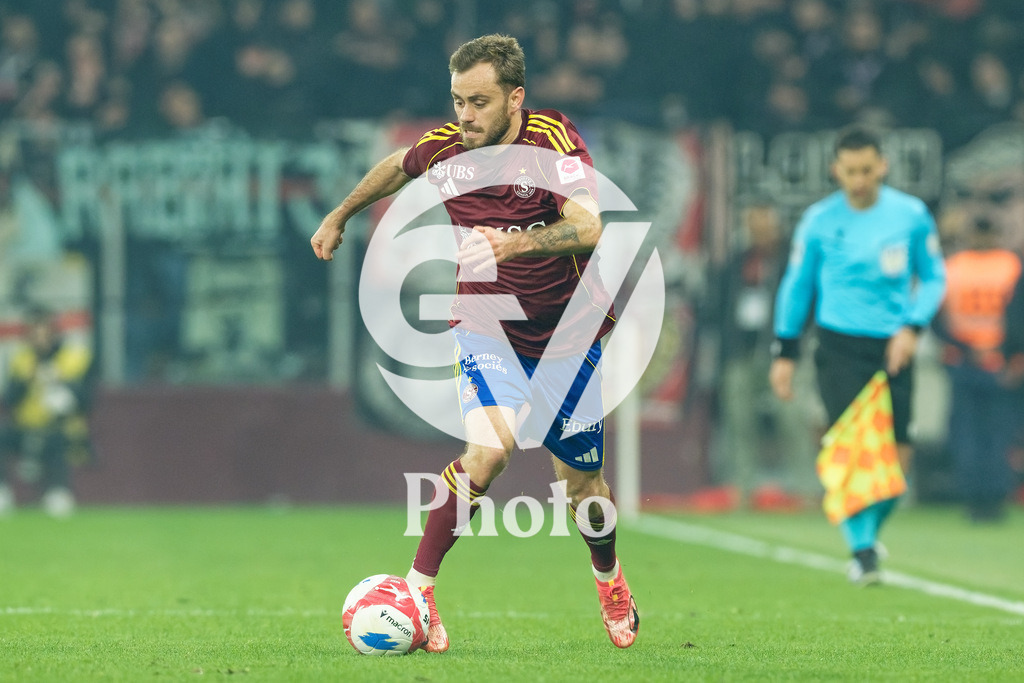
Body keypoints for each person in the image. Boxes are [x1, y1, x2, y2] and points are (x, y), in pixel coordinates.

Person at [310, 35, 639, 650]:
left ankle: (608, 577)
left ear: (515, 98)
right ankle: (419, 592)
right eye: (458, 100)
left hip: (567, 334)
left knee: (581, 486)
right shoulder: (448, 148)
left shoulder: (552, 141)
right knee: (489, 452)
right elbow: (397, 164)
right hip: (487, 322)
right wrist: (339, 215)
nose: (464, 115)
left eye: (479, 102)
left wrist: (512, 243)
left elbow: (589, 225)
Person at [769, 126, 946, 585]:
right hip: (839, 345)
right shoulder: (819, 220)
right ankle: (863, 552)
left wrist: (912, 327)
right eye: (851, 172)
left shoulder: (910, 215)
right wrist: (785, 350)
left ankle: (867, 534)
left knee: (897, 464)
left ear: (882, 165)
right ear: (837, 170)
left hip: (893, 347)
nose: (860, 180)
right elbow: (797, 285)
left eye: (867, 170)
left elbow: (933, 277)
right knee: (849, 453)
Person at [714, 201, 820, 509]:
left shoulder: (792, 261)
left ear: (776, 227)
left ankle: (806, 490)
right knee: (739, 420)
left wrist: (794, 342)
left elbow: (808, 303)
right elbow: (720, 304)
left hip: (783, 353)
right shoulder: (738, 261)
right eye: (754, 226)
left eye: (765, 226)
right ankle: (743, 489)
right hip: (742, 351)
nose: (760, 232)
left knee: (793, 418)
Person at [933, 219, 1021, 523]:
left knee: (971, 433)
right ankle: (992, 497)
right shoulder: (1011, 265)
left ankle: (976, 498)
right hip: (997, 359)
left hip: (965, 359)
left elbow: (936, 317)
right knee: (995, 433)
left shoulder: (954, 267)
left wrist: (963, 347)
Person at [0, 307, 93, 517]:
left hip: (62, 428)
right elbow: (9, 400)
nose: (40, 339)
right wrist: (27, 379)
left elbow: (87, 401)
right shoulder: (22, 359)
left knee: (57, 438)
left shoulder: (74, 357)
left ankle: (58, 492)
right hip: (25, 426)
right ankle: (2, 492)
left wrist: (61, 382)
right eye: (34, 333)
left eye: (44, 332)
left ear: (54, 332)